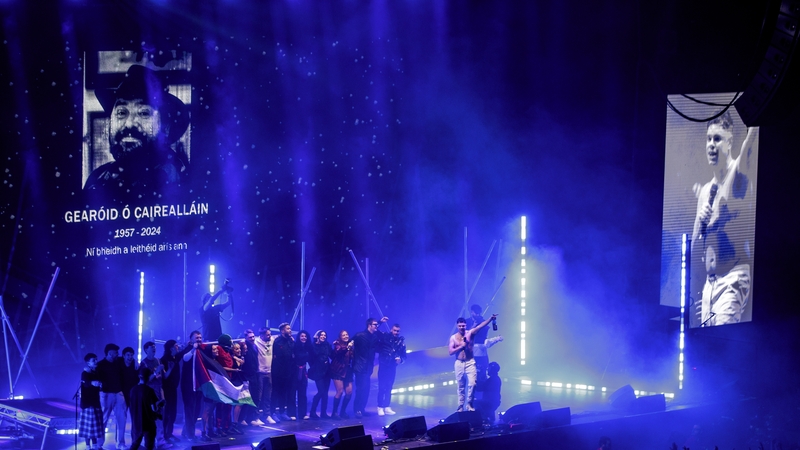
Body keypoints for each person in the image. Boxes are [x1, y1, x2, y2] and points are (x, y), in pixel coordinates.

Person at [691, 111, 757, 326]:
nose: (711, 145)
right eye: (708, 139)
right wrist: (702, 222)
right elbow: (693, 247)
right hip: (710, 285)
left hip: (733, 277)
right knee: (706, 348)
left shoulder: (739, 173)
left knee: (722, 342)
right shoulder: (705, 192)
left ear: (729, 143)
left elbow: (751, 140)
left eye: (717, 139)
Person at [85, 64, 190, 195]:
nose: (129, 124)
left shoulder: (182, 181)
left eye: (144, 113)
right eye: (121, 112)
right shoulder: (98, 178)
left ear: (166, 128)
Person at [449, 313, 497, 412]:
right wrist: (461, 346)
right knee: (461, 385)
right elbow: (450, 352)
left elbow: (480, 326)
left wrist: (490, 319)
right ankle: (461, 405)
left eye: (463, 325)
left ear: (465, 325)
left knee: (473, 383)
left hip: (470, 362)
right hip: (459, 362)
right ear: (457, 326)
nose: (462, 327)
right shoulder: (453, 338)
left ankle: (469, 403)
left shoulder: (470, 333)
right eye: (460, 326)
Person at [352, 316, 389, 418]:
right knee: (360, 389)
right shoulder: (359, 335)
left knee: (367, 389)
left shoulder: (375, 337)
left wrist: (380, 322)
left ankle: (362, 409)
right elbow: (350, 344)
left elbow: (379, 336)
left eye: (377, 325)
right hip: (359, 366)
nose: (377, 326)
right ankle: (357, 410)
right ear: (369, 325)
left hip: (368, 367)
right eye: (375, 325)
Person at [96, 343, 127, 450]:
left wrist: (135, 362)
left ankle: (121, 443)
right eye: (115, 352)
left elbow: (129, 361)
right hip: (106, 394)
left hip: (118, 393)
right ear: (109, 353)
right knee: (103, 419)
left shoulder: (119, 362)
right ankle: (99, 444)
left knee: (121, 419)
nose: (117, 354)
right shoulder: (100, 364)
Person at [129, 367, 163, 450]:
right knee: (149, 446)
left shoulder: (133, 390)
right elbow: (153, 408)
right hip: (148, 423)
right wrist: (160, 404)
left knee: (134, 445)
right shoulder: (149, 390)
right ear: (148, 377)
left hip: (136, 423)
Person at [180, 331, 205, 441]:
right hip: (188, 385)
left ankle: (186, 431)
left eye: (200, 337)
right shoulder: (188, 349)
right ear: (191, 340)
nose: (199, 339)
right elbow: (185, 358)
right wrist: (193, 348)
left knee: (196, 410)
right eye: (197, 338)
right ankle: (190, 435)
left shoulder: (202, 350)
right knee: (190, 410)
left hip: (198, 385)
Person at [376, 323, 406, 416]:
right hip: (384, 365)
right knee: (382, 387)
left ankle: (387, 406)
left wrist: (400, 360)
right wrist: (380, 322)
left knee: (389, 387)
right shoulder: (385, 338)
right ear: (391, 330)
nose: (396, 332)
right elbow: (376, 331)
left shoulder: (401, 343)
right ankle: (380, 406)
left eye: (397, 331)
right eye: (394, 330)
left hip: (392, 367)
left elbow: (404, 356)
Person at [79, 353, 104, 450]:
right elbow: (86, 384)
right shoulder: (85, 373)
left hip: (96, 402)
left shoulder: (97, 372)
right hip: (87, 403)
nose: (96, 362)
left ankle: (94, 445)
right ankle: (87, 446)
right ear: (88, 363)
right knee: (88, 426)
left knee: (95, 425)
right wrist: (92, 382)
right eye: (93, 360)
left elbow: (100, 382)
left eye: (96, 359)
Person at [271, 323, 296, 421]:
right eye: (288, 329)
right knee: (275, 393)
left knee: (284, 393)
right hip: (278, 372)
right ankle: (272, 413)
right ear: (282, 331)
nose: (290, 330)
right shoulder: (277, 341)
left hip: (288, 372)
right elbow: (275, 356)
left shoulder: (291, 341)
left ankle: (282, 412)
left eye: (290, 328)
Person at [160, 340, 183, 444]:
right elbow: (164, 377)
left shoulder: (175, 358)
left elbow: (182, 353)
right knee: (167, 413)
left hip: (174, 389)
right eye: (176, 346)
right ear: (171, 348)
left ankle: (170, 433)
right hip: (166, 390)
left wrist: (190, 345)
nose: (178, 347)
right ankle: (164, 434)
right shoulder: (164, 360)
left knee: (173, 413)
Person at [253, 326, 277, 424]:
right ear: (262, 335)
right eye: (267, 334)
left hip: (269, 372)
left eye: (270, 334)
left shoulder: (271, 339)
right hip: (260, 373)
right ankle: (255, 417)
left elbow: (278, 337)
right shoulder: (256, 342)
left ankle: (266, 415)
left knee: (268, 395)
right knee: (258, 396)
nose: (269, 336)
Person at [330, 330, 355, 419]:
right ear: (340, 337)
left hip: (348, 371)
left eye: (347, 334)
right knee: (340, 391)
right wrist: (348, 347)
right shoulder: (337, 344)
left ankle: (342, 411)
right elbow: (340, 353)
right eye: (343, 335)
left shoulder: (351, 345)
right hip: (338, 370)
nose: (345, 336)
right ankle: (334, 412)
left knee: (349, 392)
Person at [240, 329, 263, 426]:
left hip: (255, 374)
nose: (252, 338)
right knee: (246, 398)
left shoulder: (255, 347)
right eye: (250, 337)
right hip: (247, 376)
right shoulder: (244, 347)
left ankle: (251, 418)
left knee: (255, 397)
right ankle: (242, 419)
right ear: (246, 338)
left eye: (253, 337)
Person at [308, 330, 332, 419]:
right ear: (317, 336)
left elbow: (332, 355)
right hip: (318, 371)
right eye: (321, 335)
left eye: (325, 335)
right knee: (321, 391)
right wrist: (314, 366)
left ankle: (323, 412)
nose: (323, 336)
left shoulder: (327, 345)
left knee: (325, 393)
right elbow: (310, 358)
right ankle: (312, 411)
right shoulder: (313, 346)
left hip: (327, 371)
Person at [293, 330, 313, 420]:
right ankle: (292, 413)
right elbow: (298, 357)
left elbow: (313, 356)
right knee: (292, 393)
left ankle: (303, 414)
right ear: (299, 337)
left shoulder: (309, 347)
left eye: (305, 336)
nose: (304, 338)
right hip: (294, 371)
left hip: (303, 371)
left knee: (303, 393)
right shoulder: (295, 346)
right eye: (302, 336)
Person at [121, 346, 140, 443]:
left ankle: (135, 442)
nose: (130, 357)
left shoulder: (135, 365)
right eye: (128, 355)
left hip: (133, 395)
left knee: (135, 419)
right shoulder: (119, 364)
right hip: (122, 395)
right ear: (123, 356)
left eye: (132, 355)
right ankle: (120, 442)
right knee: (122, 419)